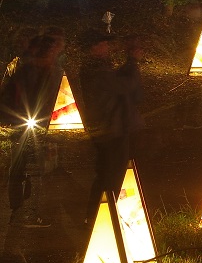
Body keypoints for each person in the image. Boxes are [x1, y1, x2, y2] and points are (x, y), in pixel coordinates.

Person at [74, 34, 145, 197]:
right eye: (104, 44)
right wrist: (133, 62)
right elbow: (123, 85)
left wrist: (129, 63)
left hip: (111, 127)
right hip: (109, 129)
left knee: (110, 171)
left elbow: (117, 80)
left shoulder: (97, 67)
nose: (108, 47)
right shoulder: (94, 69)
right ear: (94, 48)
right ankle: (102, 212)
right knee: (111, 173)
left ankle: (102, 211)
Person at [0, 35, 60, 219]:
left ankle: (36, 208)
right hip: (24, 125)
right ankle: (18, 207)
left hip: (41, 127)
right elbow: (14, 97)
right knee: (21, 165)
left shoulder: (53, 73)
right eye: (48, 54)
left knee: (43, 167)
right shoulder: (26, 73)